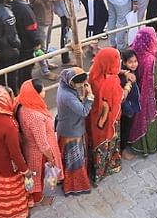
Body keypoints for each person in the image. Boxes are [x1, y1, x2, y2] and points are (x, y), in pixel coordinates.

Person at [0, 88, 31, 218]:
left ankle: (0, 216)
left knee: (1, 190)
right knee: (12, 192)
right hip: (8, 164)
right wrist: (24, 169)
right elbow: (15, 152)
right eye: (11, 97)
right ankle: (14, 217)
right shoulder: (8, 124)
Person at [15, 80, 62, 207]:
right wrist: (50, 157)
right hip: (38, 153)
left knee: (35, 175)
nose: (45, 91)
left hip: (31, 147)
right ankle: (38, 199)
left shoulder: (24, 104)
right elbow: (42, 143)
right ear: (35, 93)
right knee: (38, 176)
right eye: (42, 90)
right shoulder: (35, 116)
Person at [86, 48, 125, 183]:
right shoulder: (112, 82)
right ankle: (109, 167)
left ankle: (96, 171)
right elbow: (120, 99)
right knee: (109, 140)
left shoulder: (94, 73)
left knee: (96, 141)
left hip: (95, 117)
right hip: (109, 120)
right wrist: (129, 85)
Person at [54, 68, 93, 196]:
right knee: (75, 163)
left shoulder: (63, 87)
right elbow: (84, 111)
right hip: (71, 132)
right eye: (79, 84)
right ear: (71, 83)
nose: (81, 86)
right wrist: (89, 97)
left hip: (67, 128)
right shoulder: (68, 96)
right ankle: (74, 186)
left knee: (70, 161)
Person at [127, 27, 157, 155]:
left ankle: (133, 144)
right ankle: (149, 146)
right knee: (148, 119)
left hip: (132, 93)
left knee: (134, 119)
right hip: (147, 97)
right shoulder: (151, 60)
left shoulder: (132, 51)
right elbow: (156, 83)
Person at [10, 0, 41, 87]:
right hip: (27, 43)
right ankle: (26, 87)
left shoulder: (11, 5)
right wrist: (37, 43)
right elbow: (32, 28)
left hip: (18, 41)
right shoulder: (25, 9)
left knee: (20, 67)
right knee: (26, 68)